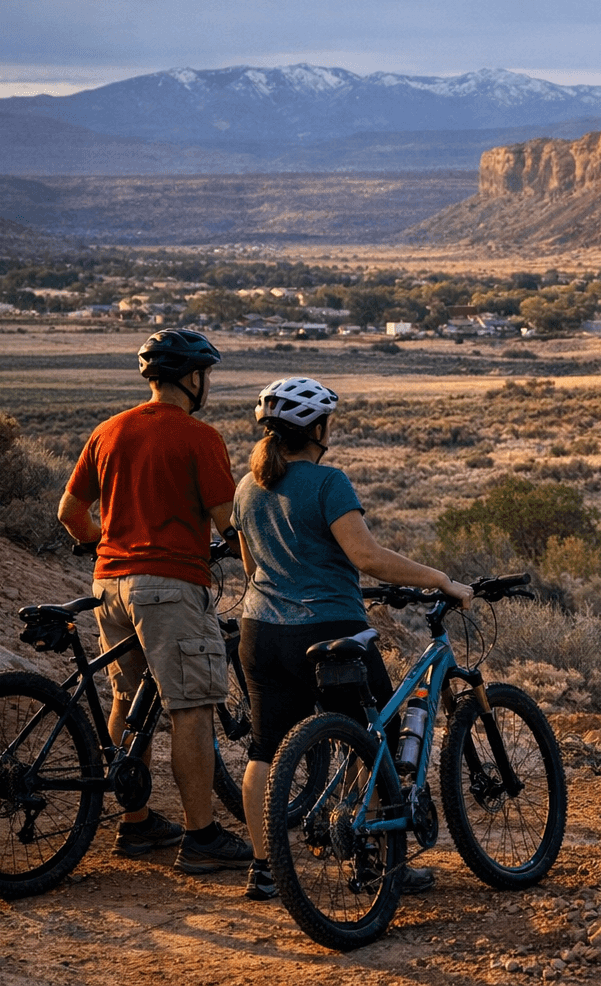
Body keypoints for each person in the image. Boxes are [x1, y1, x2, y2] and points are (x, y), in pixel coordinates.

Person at [232, 376, 473, 902]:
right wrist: (440, 579)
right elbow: (367, 557)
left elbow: (251, 567)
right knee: (376, 736)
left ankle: (263, 868)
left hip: (261, 632)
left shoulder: (247, 486)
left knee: (264, 750)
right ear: (317, 429)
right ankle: (379, 862)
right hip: (330, 631)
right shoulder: (328, 482)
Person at [57, 328, 254, 873]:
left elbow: (69, 513)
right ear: (191, 378)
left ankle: (136, 821)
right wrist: (255, 565)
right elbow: (227, 522)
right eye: (206, 374)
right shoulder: (199, 437)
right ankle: (202, 836)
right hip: (170, 587)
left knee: (128, 699)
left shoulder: (108, 431)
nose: (207, 383)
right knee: (191, 708)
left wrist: (105, 542)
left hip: (108, 586)